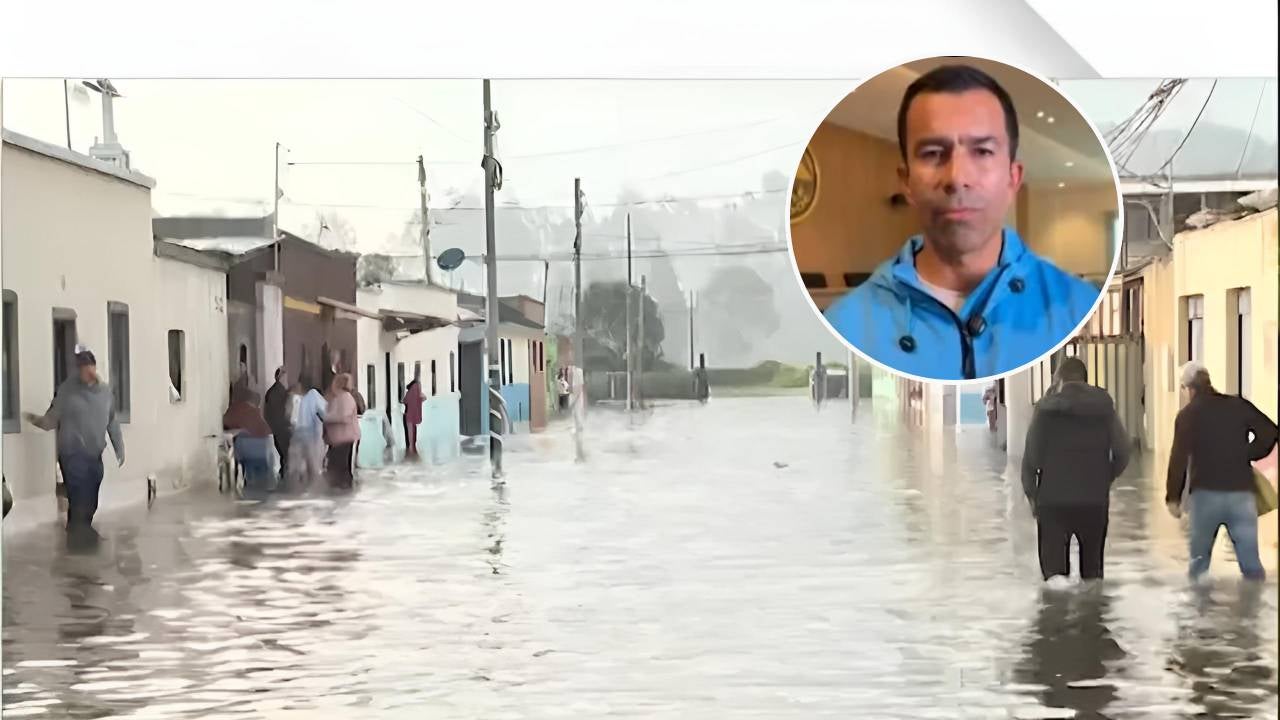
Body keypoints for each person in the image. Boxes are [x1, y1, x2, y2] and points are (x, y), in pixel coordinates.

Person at [823, 64, 1100, 381]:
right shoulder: (844, 326)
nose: (957, 178)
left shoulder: (1078, 308)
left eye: (982, 151)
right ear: (907, 182)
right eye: (932, 153)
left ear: (1013, 178)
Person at [1166, 362, 1278, 582]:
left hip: (1205, 496)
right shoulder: (1237, 406)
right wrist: (1247, 454)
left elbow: (1178, 458)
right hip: (1242, 495)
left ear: (1189, 389)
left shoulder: (1188, 415)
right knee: (1252, 567)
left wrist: (1173, 498)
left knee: (1198, 568)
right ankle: (1254, 613)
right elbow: (1270, 431)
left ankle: (1200, 615)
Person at [1021, 357, 1130, 582]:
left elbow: (1031, 458)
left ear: (1059, 380)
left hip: (1053, 502)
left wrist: (1033, 496)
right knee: (1093, 576)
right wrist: (1104, 477)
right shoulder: (1103, 407)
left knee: (1055, 580)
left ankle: (1056, 614)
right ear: (1085, 380)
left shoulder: (1045, 410)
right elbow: (1123, 451)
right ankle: (1092, 615)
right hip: (1094, 501)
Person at [23, 348, 124, 533]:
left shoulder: (105, 393)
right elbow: (51, 420)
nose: (87, 373)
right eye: (83, 369)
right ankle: (78, 538)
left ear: (94, 367)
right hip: (72, 454)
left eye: (89, 368)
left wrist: (120, 449)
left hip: (94, 454)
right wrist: (33, 419)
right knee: (79, 497)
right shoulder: (67, 391)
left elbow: (112, 422)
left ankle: (78, 533)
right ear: (78, 370)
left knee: (91, 500)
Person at [222, 385, 275, 492]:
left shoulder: (233, 410)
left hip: (247, 447)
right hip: (264, 444)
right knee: (263, 476)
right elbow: (265, 429)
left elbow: (225, 423)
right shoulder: (254, 411)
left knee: (251, 477)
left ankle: (250, 490)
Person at [288, 375, 328, 491]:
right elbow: (326, 412)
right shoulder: (313, 395)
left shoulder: (293, 397)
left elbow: (288, 416)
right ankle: (313, 493)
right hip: (310, 434)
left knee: (295, 468)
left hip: (295, 434)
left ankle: (294, 493)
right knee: (314, 467)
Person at [323, 373, 361, 489]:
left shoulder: (346, 397)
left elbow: (344, 417)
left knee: (341, 470)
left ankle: (343, 494)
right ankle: (340, 494)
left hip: (344, 439)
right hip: (337, 440)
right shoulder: (337, 398)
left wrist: (326, 418)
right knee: (335, 469)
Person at [263, 366, 292, 482]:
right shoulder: (280, 392)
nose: (287, 379)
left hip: (276, 429)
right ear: (282, 377)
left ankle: (284, 477)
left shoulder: (272, 392)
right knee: (287, 454)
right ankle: (286, 479)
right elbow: (283, 412)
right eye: (286, 376)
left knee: (284, 455)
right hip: (282, 428)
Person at [402, 380, 425, 458]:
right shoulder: (417, 394)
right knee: (412, 437)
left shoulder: (410, 393)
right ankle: (411, 454)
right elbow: (424, 398)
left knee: (410, 437)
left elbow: (404, 401)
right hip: (410, 416)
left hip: (408, 416)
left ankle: (410, 454)